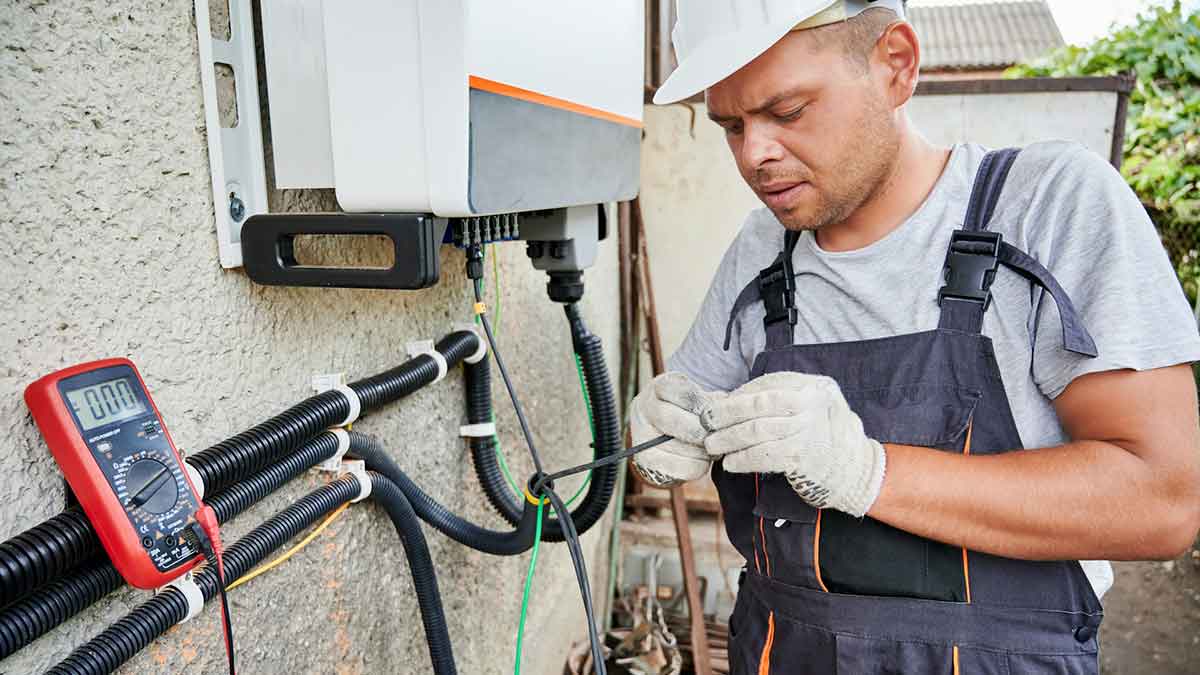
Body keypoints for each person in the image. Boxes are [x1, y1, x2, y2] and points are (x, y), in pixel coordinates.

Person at [629, 1, 1200, 672]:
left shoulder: (1046, 205)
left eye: (787, 112)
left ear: (896, 65)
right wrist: (661, 435)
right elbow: (685, 417)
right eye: (731, 126)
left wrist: (865, 471)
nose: (755, 154)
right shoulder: (761, 250)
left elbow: (1160, 500)